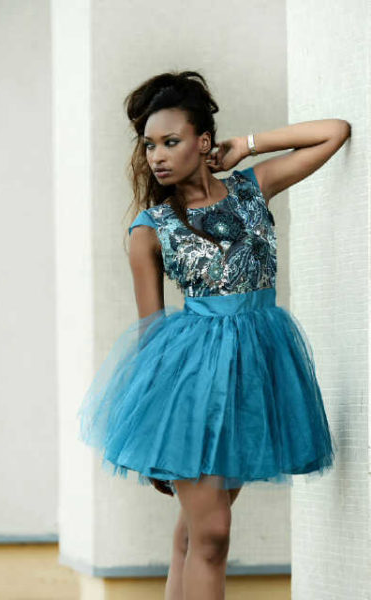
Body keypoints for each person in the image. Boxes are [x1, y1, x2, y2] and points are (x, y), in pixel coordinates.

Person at [77, 70, 350, 599]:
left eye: (171, 141)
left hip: (256, 375)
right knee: (214, 533)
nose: (157, 156)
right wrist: (154, 428)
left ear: (203, 142)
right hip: (192, 384)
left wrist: (247, 145)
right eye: (149, 145)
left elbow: (334, 132)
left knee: (197, 533)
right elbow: (151, 332)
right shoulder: (150, 229)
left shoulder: (252, 188)